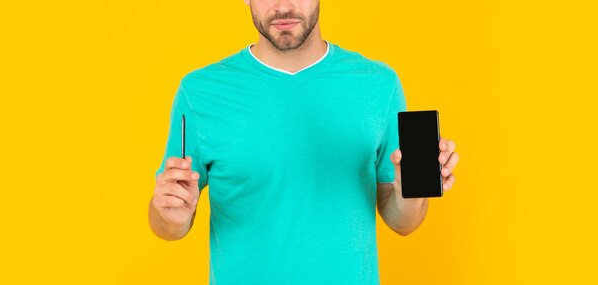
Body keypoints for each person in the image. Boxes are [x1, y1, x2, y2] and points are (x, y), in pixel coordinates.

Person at [149, 0, 460, 284]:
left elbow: (403, 222)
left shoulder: (378, 84)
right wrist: (169, 215)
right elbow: (167, 225)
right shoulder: (201, 91)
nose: (283, 6)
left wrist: (409, 193)